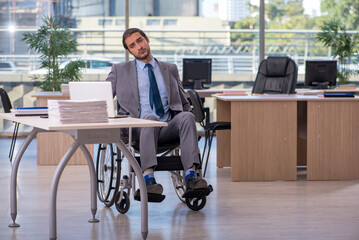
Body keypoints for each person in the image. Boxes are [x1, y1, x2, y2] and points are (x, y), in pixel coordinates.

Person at [106, 28, 207, 195]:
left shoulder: (170, 69)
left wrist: (188, 119)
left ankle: (191, 177)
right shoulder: (119, 71)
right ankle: (148, 179)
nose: (138, 47)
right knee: (150, 118)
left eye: (140, 41)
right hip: (137, 130)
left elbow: (182, 101)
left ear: (146, 39)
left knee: (187, 116)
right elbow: (103, 98)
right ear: (129, 51)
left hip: (168, 128)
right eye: (132, 45)